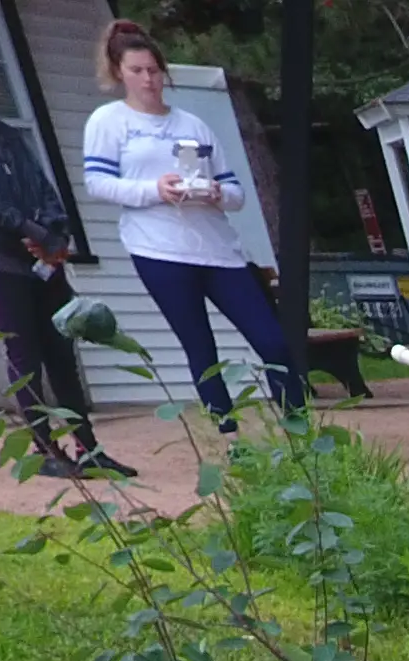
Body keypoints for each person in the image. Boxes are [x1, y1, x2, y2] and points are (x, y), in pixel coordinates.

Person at [80, 18, 301, 429]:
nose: (148, 79)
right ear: (118, 73)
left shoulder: (192, 124)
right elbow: (98, 182)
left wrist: (215, 192)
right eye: (137, 71)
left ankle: (299, 427)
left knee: (272, 340)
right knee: (200, 346)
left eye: (154, 70)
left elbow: (236, 192)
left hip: (217, 249)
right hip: (158, 249)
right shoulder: (109, 121)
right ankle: (229, 435)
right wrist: (154, 189)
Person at [0, 125, 119, 476]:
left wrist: (56, 234)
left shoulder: (9, 137)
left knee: (62, 352)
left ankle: (88, 449)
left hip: (45, 263)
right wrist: (35, 233)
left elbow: (44, 189)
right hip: (3, 265)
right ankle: (47, 451)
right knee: (24, 358)